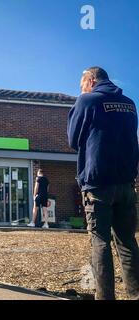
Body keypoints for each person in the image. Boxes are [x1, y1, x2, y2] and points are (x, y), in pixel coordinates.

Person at [67, 66, 139, 300]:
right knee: (127, 241)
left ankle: (105, 297)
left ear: (91, 80)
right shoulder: (130, 104)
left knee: (100, 242)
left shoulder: (87, 101)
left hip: (98, 184)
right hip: (127, 184)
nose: (81, 89)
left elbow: (73, 140)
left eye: (82, 85)